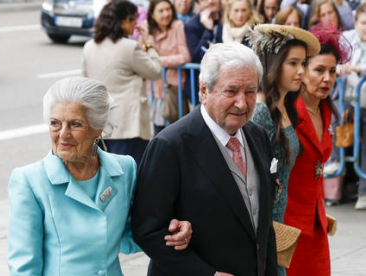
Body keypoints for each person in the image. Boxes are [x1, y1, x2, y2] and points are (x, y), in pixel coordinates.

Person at [7, 77, 193, 275]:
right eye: (55, 123)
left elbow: (130, 237)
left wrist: (172, 230)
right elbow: (24, 267)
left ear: (98, 128)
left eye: (75, 124)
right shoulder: (29, 181)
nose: (63, 134)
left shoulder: (124, 169)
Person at [131, 43, 277, 275]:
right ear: (204, 91)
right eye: (231, 91)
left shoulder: (257, 135)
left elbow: (263, 226)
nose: (242, 103)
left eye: (250, 91)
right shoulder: (170, 145)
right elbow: (147, 230)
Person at [248, 24, 320, 276]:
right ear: (274, 62)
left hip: (279, 223)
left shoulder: (283, 106)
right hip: (264, 227)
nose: (301, 71)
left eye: (303, 63)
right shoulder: (260, 112)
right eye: (293, 63)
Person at [284, 23, 351, 275]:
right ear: (302, 70)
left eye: (333, 71)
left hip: (316, 222)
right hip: (287, 225)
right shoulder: (285, 112)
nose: (327, 78)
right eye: (319, 70)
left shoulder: (325, 110)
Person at [82, 0, 162, 165]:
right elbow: (155, 71)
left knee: (107, 175)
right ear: (121, 21)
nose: (135, 24)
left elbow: (84, 82)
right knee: (130, 174)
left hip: (101, 125)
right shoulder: (130, 47)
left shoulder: (89, 46)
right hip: (128, 124)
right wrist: (149, 44)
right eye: (132, 19)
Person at [141, 0, 191, 133]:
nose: (166, 14)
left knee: (177, 129)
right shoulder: (146, 28)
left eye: (168, 9)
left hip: (173, 88)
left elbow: (185, 56)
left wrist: (158, 61)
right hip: (153, 88)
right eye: (161, 11)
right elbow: (141, 56)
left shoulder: (177, 25)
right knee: (158, 130)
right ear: (152, 14)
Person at [342, 3, 366, 210]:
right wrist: (341, 69)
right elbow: (337, 59)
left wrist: (360, 69)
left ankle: (363, 191)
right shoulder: (349, 38)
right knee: (344, 138)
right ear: (356, 23)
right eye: (364, 23)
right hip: (349, 101)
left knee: (365, 146)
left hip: (365, 103)